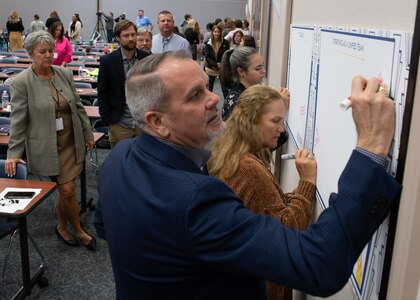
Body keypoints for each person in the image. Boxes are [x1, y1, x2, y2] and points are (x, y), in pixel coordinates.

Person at [94, 51, 401, 299]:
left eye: (206, 84)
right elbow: (319, 264)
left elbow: (105, 226)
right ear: (158, 122)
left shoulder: (119, 158)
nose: (213, 98)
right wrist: (371, 148)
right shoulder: (195, 200)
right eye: (195, 95)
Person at [208, 85, 317, 300]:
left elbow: (262, 207)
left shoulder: (232, 150)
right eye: (275, 121)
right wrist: (307, 181)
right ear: (251, 121)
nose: (282, 129)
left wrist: (289, 197)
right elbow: (287, 231)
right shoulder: (248, 169)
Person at [5, 31, 96, 251]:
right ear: (30, 54)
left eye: (50, 51)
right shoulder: (21, 83)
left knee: (67, 188)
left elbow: (77, 106)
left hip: (70, 141)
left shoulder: (63, 73)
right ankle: (79, 231)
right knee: (67, 190)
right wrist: (13, 153)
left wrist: (87, 133)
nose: (48, 55)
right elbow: (18, 121)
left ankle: (61, 226)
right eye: (42, 52)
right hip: (47, 145)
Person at [220, 46, 289, 149]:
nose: (264, 71)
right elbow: (257, 145)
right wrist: (281, 108)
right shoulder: (238, 101)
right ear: (241, 72)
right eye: (258, 68)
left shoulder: (246, 94)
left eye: (263, 66)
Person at [97, 20, 150, 148]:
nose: (131, 39)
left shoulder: (147, 58)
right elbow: (103, 93)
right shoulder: (107, 61)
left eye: (133, 34)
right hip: (119, 125)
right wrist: (109, 122)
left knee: (142, 162)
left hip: (143, 124)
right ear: (117, 38)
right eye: (126, 36)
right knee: (120, 163)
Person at [203, 25, 230, 94]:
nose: (217, 33)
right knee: (209, 89)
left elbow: (227, 54)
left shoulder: (225, 42)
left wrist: (221, 65)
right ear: (212, 32)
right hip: (210, 69)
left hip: (222, 69)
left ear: (221, 32)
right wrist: (215, 65)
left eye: (218, 32)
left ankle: (227, 104)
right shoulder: (208, 43)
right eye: (215, 32)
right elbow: (207, 56)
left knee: (225, 89)